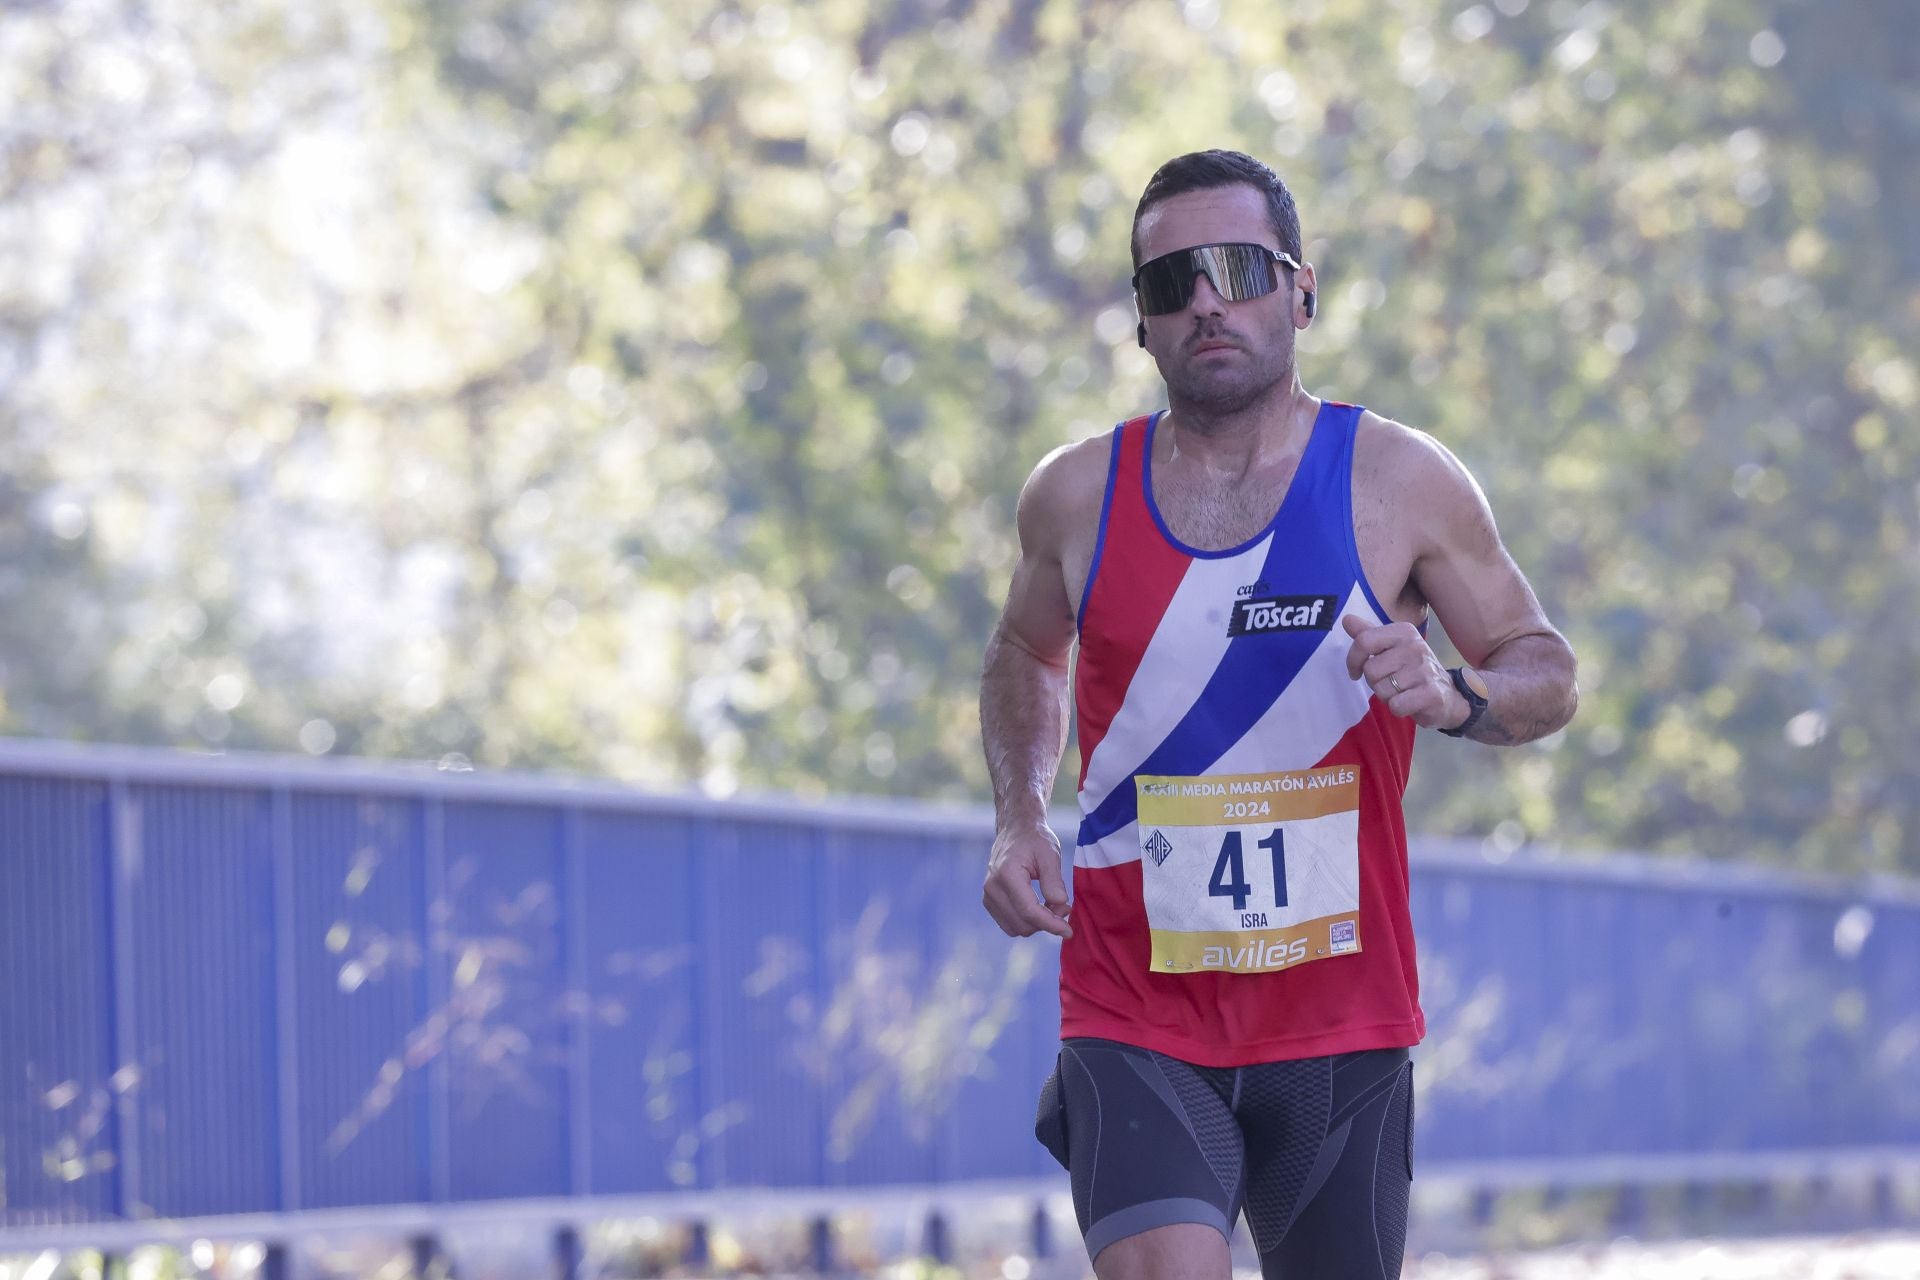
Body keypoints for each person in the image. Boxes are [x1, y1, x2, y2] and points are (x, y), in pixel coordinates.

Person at [977, 149, 1579, 1280]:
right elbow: (1023, 651)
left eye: (1240, 268)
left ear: (1301, 291)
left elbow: (1545, 671)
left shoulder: (1401, 481)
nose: (1207, 299)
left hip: (1340, 1018)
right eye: (1173, 281)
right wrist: (1018, 817)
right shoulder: (1073, 495)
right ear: (1142, 322)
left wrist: (1456, 694)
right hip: (1135, 1005)